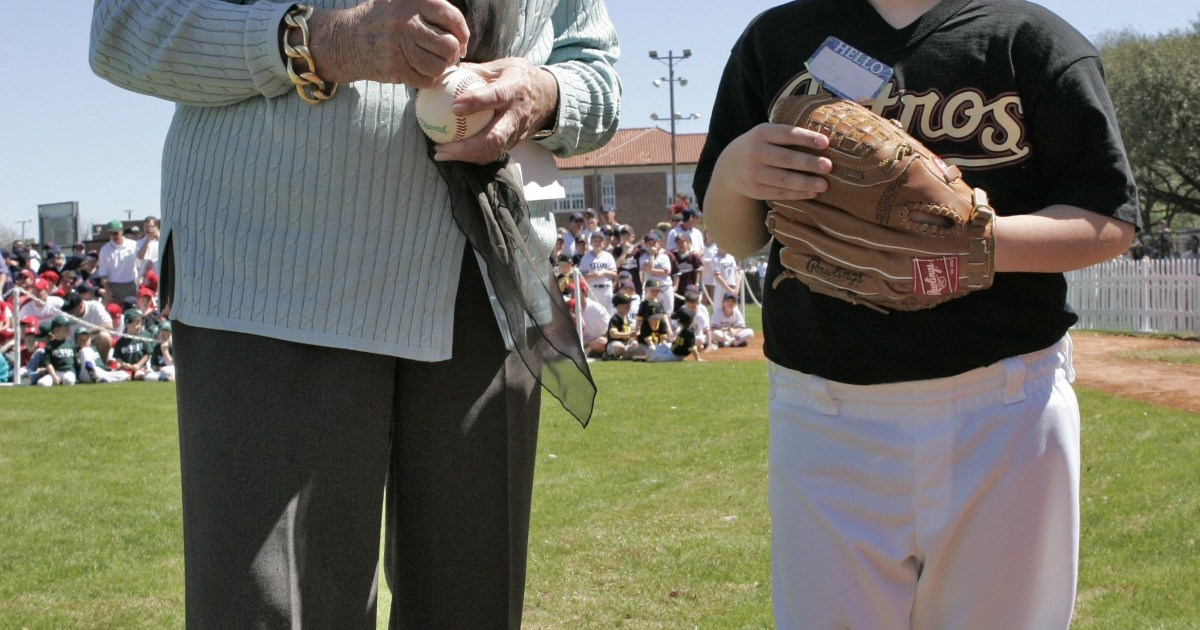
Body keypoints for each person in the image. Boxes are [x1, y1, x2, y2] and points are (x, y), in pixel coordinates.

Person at [91, 0, 620, 627]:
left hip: (487, 282)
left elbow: (595, 71)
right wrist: (318, 41)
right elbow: (125, 27)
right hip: (269, 275)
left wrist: (544, 92)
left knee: (473, 611)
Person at [694, 1, 1140, 628]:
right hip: (825, 411)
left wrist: (977, 248)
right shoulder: (777, 40)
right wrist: (738, 171)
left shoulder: (1030, 40)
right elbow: (734, 237)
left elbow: (1109, 219)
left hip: (1005, 409)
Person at [95, 219, 140, 306]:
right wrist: (108, 292)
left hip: (131, 285)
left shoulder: (133, 245)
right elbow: (103, 275)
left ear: (122, 231)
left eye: (115, 233)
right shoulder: (105, 250)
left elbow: (140, 265)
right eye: (110, 233)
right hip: (114, 286)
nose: (113, 236)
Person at [579, 230, 618, 310]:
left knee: (607, 316)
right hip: (592, 289)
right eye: (595, 241)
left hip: (606, 289)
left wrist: (604, 272)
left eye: (600, 241)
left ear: (603, 243)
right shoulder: (586, 257)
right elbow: (581, 276)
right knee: (594, 314)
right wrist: (593, 274)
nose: (597, 243)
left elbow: (614, 273)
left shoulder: (608, 256)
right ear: (591, 243)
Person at [37, 315, 78, 387]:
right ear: (56, 330)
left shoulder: (71, 344)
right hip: (55, 371)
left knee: (68, 380)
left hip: (68, 371)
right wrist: (54, 376)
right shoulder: (50, 346)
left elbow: (74, 361)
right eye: (65, 328)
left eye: (68, 327)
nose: (68, 330)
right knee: (42, 383)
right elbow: (48, 363)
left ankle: (63, 381)